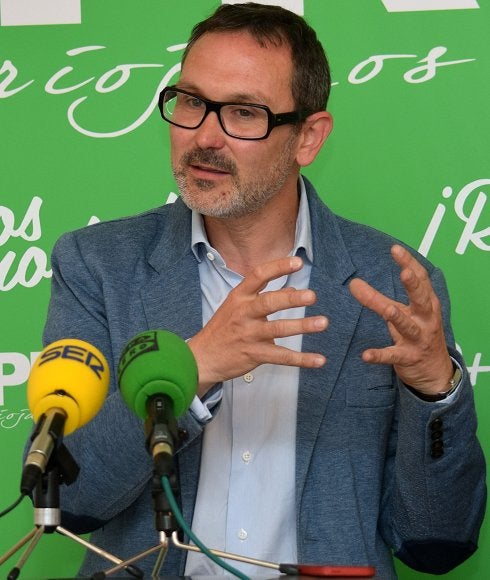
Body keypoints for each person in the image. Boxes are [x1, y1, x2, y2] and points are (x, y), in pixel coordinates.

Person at [43, 3, 485, 578]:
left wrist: (433, 391)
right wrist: (193, 368)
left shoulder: (392, 284)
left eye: (244, 113)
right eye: (192, 101)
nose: (204, 136)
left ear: (308, 138)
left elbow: (437, 540)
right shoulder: (98, 265)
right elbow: (68, 497)